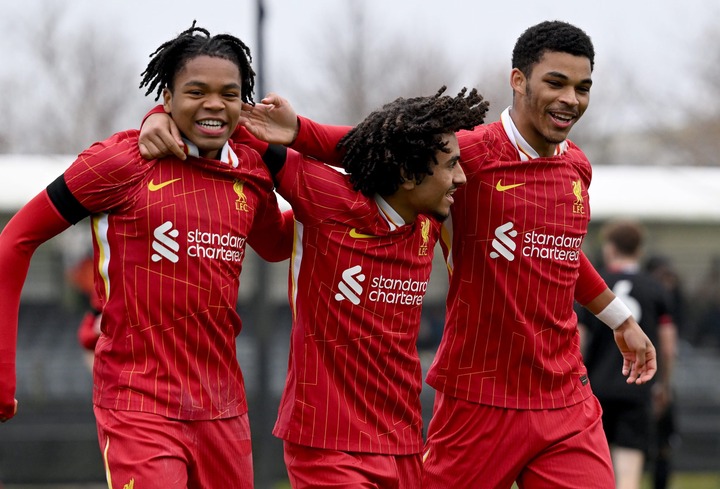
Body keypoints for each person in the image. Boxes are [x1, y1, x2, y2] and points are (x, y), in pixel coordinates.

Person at [138, 20, 658, 488]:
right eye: (557, 82)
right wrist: (167, 117)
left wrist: (619, 319)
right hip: (478, 402)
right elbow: (380, 149)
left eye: (583, 87)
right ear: (518, 81)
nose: (571, 98)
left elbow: (561, 256)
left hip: (565, 398)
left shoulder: (578, 170)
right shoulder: (467, 156)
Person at [139, 86, 490, 487]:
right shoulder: (326, 198)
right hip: (327, 443)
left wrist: (305, 129)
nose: (462, 176)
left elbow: (387, 148)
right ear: (408, 174)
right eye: (450, 166)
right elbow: (232, 124)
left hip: (404, 441)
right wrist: (158, 114)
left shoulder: (429, 220)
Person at [0, 23, 295, 489]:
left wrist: (323, 197)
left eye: (229, 93)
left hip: (224, 407)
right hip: (139, 400)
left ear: (244, 102)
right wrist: (2, 371)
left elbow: (278, 246)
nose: (214, 103)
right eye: (196, 90)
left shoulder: (253, 171)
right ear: (167, 97)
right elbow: (13, 240)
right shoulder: (119, 163)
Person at [577, 220, 677, 489]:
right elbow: (667, 346)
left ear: (610, 248)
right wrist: (664, 385)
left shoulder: (594, 287)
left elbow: (580, 340)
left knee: (590, 472)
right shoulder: (656, 288)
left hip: (594, 390)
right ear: (639, 250)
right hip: (637, 389)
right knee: (628, 474)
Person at [644, 255, 683, 489]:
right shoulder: (657, 300)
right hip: (649, 382)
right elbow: (668, 348)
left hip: (636, 381)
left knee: (662, 447)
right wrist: (664, 385)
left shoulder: (672, 301)